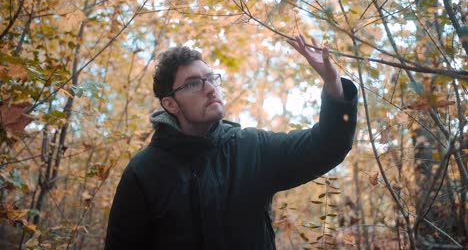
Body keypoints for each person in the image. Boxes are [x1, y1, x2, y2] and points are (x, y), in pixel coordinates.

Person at [104, 35, 358, 250]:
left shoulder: (252, 147)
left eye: (211, 78)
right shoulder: (144, 172)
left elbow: (327, 146)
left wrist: (334, 85)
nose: (211, 89)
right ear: (170, 104)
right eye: (193, 84)